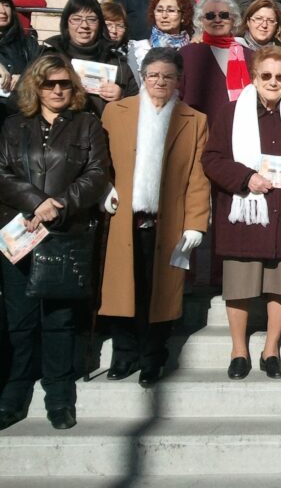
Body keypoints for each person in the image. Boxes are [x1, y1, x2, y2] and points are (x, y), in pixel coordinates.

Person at [0, 55, 109, 431]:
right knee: (20, 319)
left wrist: (58, 205)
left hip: (65, 233)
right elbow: (1, 172)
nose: (58, 90)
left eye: (64, 83)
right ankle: (15, 391)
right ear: (36, 86)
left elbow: (97, 173)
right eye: (49, 84)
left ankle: (59, 394)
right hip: (18, 231)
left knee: (60, 320)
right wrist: (35, 202)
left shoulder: (88, 125)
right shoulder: (13, 126)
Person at [202, 46, 281, 381]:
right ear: (254, 76)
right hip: (246, 212)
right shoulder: (230, 113)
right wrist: (245, 177)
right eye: (266, 75)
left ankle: (271, 349)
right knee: (239, 284)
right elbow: (212, 159)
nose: (273, 81)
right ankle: (239, 350)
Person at [99, 48, 209, 386]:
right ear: (143, 77)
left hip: (167, 221)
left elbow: (197, 176)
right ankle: (123, 354)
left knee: (159, 294)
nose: (160, 81)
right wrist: (104, 189)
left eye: (168, 76)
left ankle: (152, 357)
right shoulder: (116, 112)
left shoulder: (194, 119)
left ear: (179, 80)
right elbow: (99, 161)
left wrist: (195, 222)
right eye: (153, 75)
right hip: (122, 219)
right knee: (121, 289)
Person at [42, 0, 139, 116]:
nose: (84, 26)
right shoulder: (48, 56)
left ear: (100, 24)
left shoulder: (116, 62)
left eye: (91, 19)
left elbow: (137, 106)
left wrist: (122, 96)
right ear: (66, 23)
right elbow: (24, 97)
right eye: (76, 19)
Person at [179, 0, 254, 122]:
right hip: (201, 133)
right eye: (210, 16)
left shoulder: (250, 56)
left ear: (234, 19)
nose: (217, 20)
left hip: (240, 130)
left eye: (224, 15)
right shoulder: (187, 54)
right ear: (201, 21)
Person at [126, 0, 194, 78]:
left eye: (171, 11)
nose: (164, 15)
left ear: (183, 16)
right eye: (159, 10)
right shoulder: (138, 50)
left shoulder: (192, 51)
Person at [0, 0, 41, 113]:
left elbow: (41, 71)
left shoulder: (28, 43)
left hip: (20, 114)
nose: (2, 11)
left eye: (6, 5)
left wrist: (24, 78)